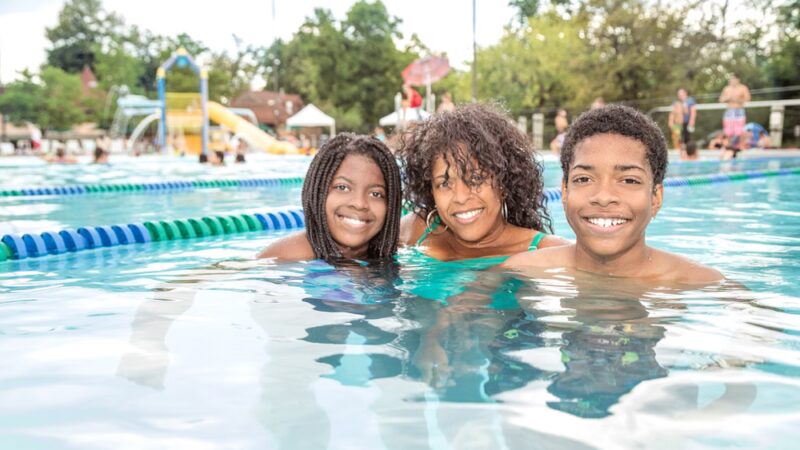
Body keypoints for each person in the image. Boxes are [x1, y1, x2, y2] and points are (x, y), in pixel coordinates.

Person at [504, 105, 724, 284]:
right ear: (564, 191)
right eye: (584, 179)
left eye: (629, 180)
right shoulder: (519, 273)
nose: (604, 196)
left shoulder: (702, 285)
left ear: (655, 197)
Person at [397, 103, 567, 262]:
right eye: (445, 183)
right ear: (431, 192)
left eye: (476, 179)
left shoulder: (550, 253)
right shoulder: (414, 232)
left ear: (503, 182)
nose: (461, 197)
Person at [258, 133, 402, 261]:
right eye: (342, 187)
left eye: (375, 194)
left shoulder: (392, 256)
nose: (359, 203)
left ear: (391, 205)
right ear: (318, 192)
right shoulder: (286, 256)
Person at [719, 74, 751, 155]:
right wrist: (728, 98)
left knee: (740, 130)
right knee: (728, 131)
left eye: (733, 79)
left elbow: (748, 98)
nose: (731, 81)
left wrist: (738, 99)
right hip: (729, 111)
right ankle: (729, 146)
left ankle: (740, 146)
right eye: (730, 79)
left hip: (739, 111)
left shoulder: (743, 88)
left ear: (737, 80)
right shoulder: (727, 88)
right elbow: (721, 99)